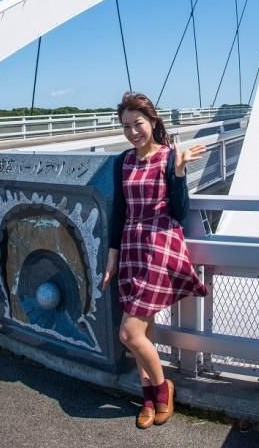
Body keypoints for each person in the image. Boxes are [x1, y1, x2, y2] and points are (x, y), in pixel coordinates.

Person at [101, 92, 207, 429]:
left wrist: (177, 173)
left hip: (160, 247)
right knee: (142, 330)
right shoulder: (123, 161)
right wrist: (112, 256)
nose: (133, 132)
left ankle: (163, 389)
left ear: (153, 122)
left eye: (139, 124)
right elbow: (120, 212)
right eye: (127, 126)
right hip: (132, 246)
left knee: (129, 333)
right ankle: (147, 395)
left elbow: (180, 211)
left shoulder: (168, 156)